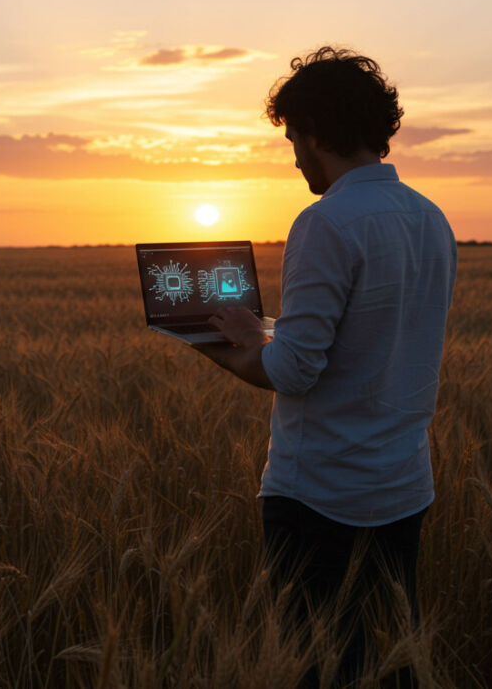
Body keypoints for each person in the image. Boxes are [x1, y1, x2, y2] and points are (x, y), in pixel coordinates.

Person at [194, 46, 457, 687]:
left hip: (322, 495)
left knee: (319, 665)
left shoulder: (325, 223)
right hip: (401, 487)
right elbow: (368, 335)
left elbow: (294, 373)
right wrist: (265, 329)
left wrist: (227, 349)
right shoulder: (430, 218)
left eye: (292, 139)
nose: (292, 157)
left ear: (313, 133)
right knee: (389, 666)